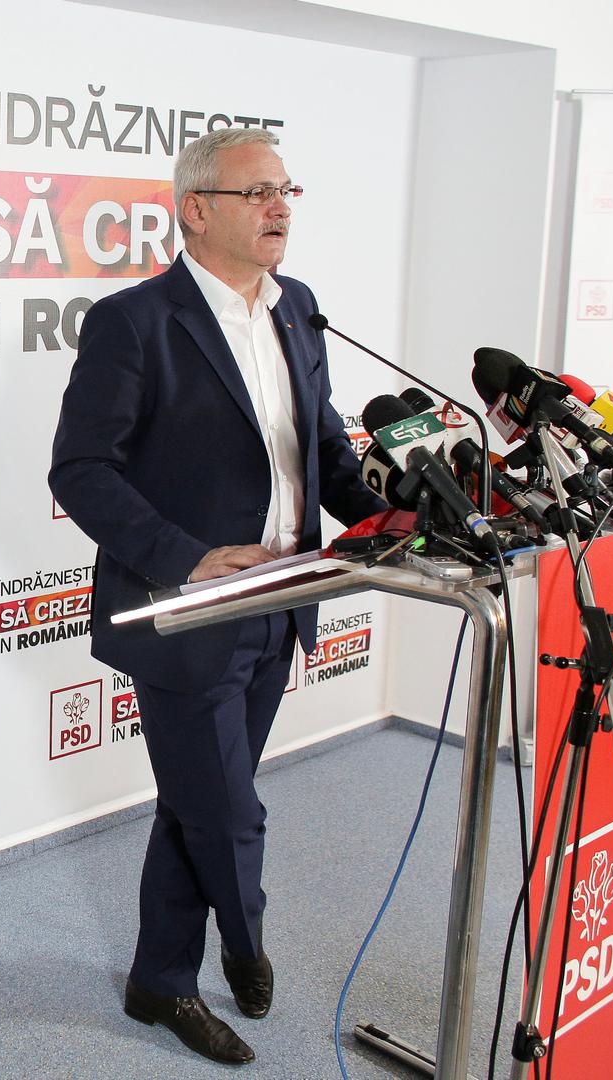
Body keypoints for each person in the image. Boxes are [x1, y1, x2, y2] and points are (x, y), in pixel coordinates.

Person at [48, 128, 385, 1066]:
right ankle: (242, 940)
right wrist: (190, 558)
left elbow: (322, 448)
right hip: (187, 613)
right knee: (227, 815)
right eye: (257, 192)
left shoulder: (297, 307)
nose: (279, 207)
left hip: (282, 600)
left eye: (286, 190)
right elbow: (80, 469)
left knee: (194, 804)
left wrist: (390, 513)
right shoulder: (133, 322)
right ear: (195, 210)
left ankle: (159, 981)